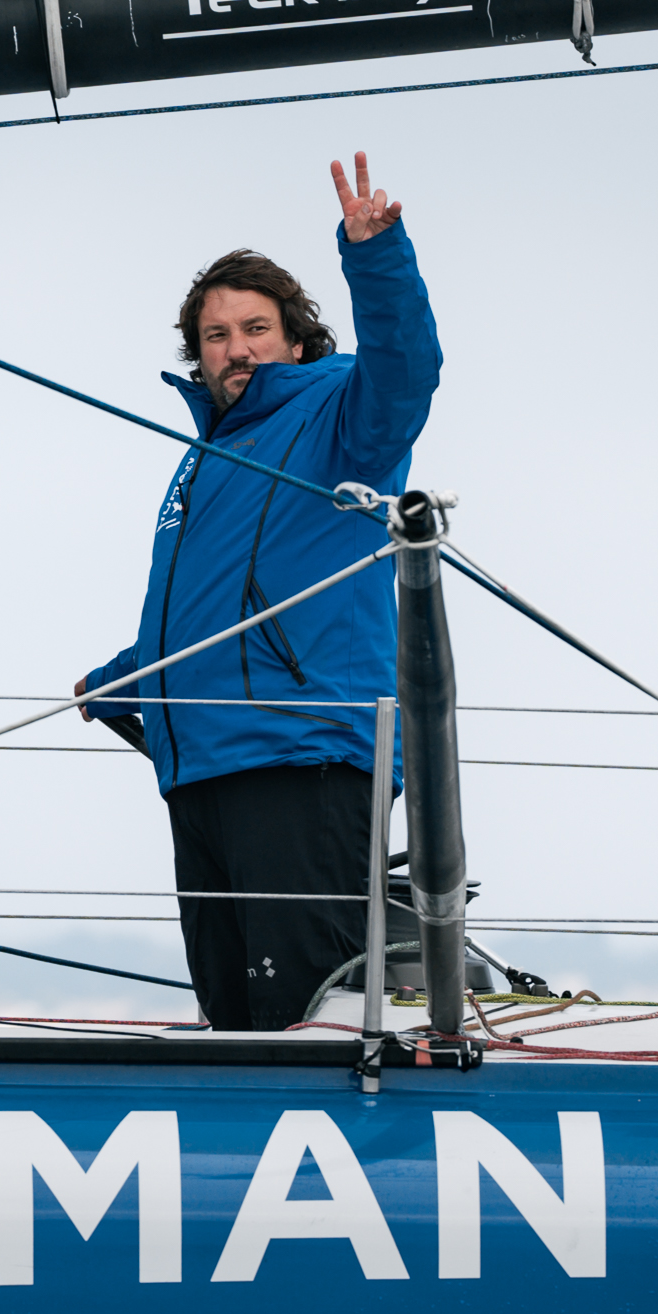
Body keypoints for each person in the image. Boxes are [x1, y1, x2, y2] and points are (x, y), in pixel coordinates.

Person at [78, 156, 439, 1029]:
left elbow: (407, 371)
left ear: (297, 340)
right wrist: (128, 677)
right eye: (215, 335)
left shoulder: (339, 418)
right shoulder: (206, 460)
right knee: (232, 1017)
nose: (236, 348)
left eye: (255, 328)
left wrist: (374, 254)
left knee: (305, 1016)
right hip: (200, 768)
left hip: (298, 757)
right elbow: (226, 606)